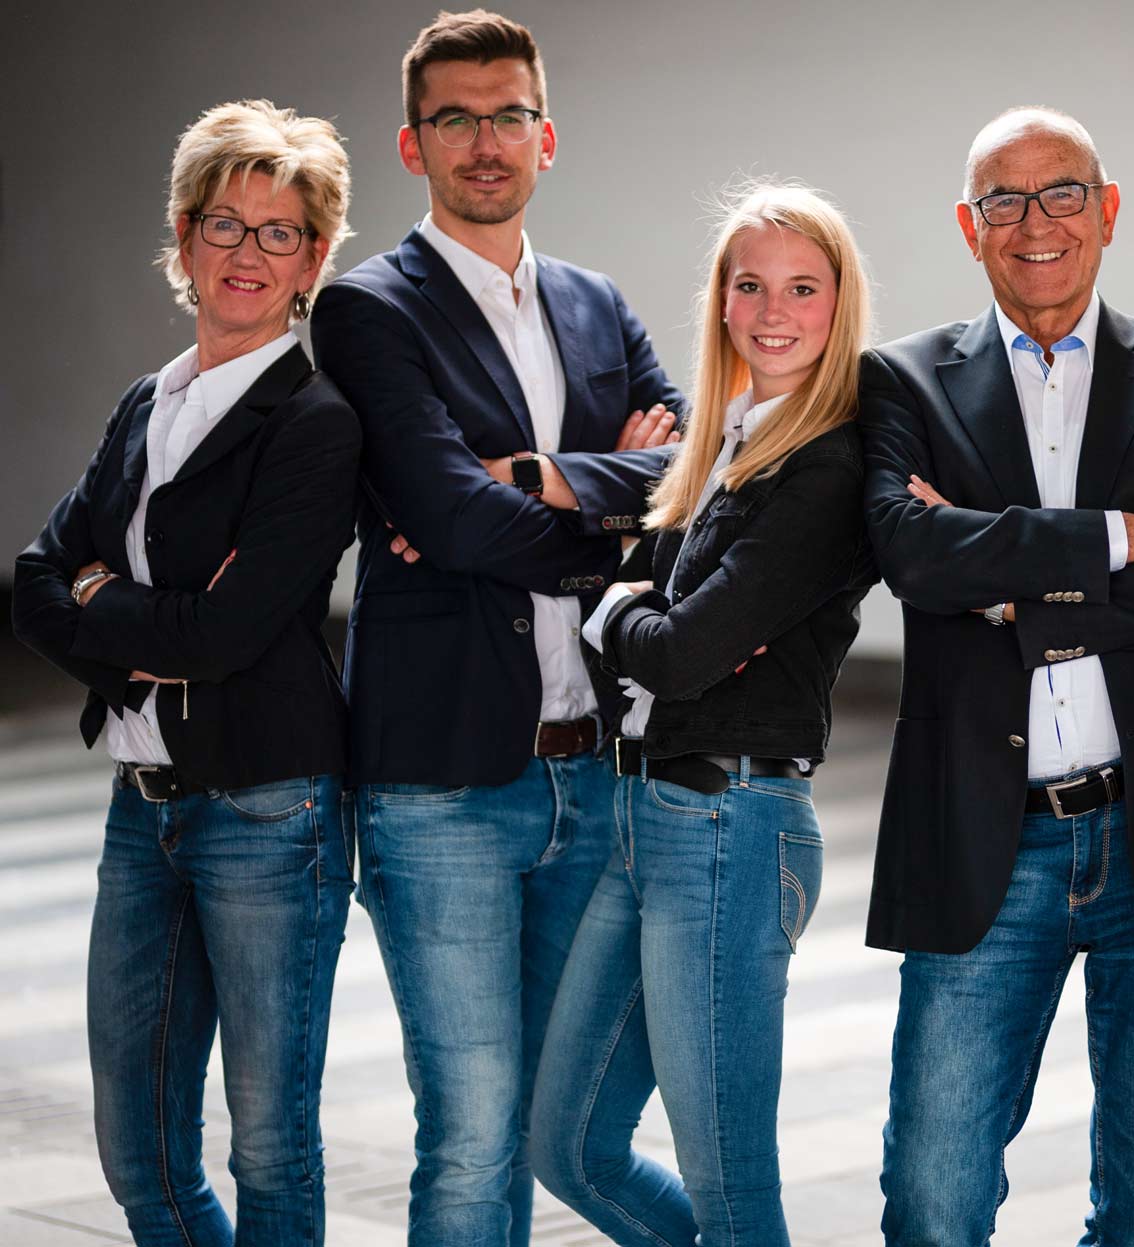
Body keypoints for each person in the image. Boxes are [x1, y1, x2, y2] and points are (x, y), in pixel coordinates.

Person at [307, 11, 682, 1245]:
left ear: (545, 135)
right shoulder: (368, 310)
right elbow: (448, 519)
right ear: (412, 143)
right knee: (472, 1133)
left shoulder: (596, 303)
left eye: (507, 114)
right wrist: (605, 513)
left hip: (595, 773)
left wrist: (525, 480)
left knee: (559, 1126)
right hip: (442, 787)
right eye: (455, 118)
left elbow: (694, 479)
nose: (485, 141)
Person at [859, 106, 1134, 1243]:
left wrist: (1009, 589)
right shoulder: (903, 381)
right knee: (933, 1205)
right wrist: (1121, 537)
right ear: (969, 225)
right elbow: (912, 557)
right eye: (1005, 200)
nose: (1037, 223)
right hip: (984, 834)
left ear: (1108, 210)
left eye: (1064, 193)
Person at [12, 99, 358, 1243]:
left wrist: (103, 598)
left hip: (270, 809)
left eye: (277, 231)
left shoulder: (314, 423)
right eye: (225, 223)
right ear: (184, 236)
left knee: (269, 1144)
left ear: (311, 258)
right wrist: (125, 617)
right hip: (142, 809)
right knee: (140, 1151)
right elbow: (35, 578)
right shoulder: (144, 402)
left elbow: (224, 635)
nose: (247, 252)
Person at [526, 181, 875, 1247]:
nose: (774, 310)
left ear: (840, 303)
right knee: (570, 1145)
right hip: (646, 820)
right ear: (721, 300)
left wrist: (618, 608)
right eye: (750, 284)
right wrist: (650, 611)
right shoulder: (724, 444)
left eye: (803, 287)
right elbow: (677, 632)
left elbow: (678, 654)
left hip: (732, 826)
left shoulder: (826, 465)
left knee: (730, 1187)